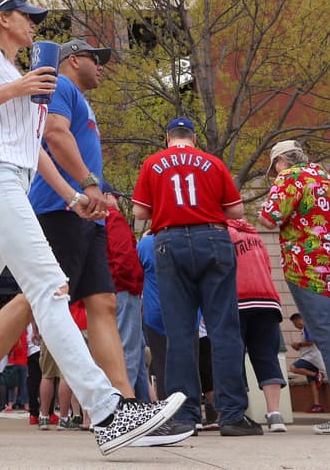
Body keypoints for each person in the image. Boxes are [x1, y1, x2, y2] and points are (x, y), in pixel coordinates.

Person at [0, 0, 183, 457]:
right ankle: (110, 412)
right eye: (27, 16)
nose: (34, 24)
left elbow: (35, 150)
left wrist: (72, 197)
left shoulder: (24, 74)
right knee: (51, 286)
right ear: (3, 18)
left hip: (6, 181)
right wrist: (18, 89)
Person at [133, 116, 255, 436]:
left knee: (180, 334)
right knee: (223, 330)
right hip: (212, 238)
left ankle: (185, 416)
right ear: (194, 139)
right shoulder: (212, 163)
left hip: (169, 242)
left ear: (167, 138)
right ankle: (231, 414)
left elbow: (139, 212)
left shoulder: (153, 163)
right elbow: (236, 211)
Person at [260, 139, 330, 435]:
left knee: (329, 340)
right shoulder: (324, 174)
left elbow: (269, 218)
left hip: (307, 270)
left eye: (275, 166)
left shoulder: (288, 178)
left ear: (281, 161)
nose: (276, 171)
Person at [227, 215, 288, 432]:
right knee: (266, 355)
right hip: (267, 299)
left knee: (233, 356)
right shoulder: (255, 235)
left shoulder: (222, 233)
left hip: (237, 299)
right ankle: (275, 414)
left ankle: (238, 412)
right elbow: (267, 267)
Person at [103, 192, 150, 403]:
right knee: (128, 351)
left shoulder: (96, 221)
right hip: (124, 289)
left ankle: (142, 403)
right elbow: (124, 256)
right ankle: (123, 405)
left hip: (112, 288)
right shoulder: (113, 217)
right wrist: (133, 285)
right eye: (115, 196)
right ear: (106, 195)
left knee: (135, 350)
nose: (119, 201)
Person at [135, 230, 167, 400]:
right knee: (188, 363)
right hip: (189, 316)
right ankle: (190, 413)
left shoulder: (145, 245)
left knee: (161, 365)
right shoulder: (186, 239)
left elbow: (136, 275)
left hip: (154, 313)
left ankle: (167, 408)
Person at [287, 313, 327, 412]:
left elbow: (311, 341)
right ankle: (317, 405)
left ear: (299, 320)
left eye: (295, 323)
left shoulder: (307, 327)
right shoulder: (303, 331)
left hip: (312, 358)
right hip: (310, 357)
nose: (295, 326)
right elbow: (308, 344)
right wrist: (298, 346)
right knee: (313, 382)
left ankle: (316, 374)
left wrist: (298, 344)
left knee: (293, 367)